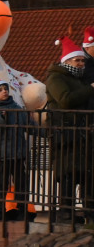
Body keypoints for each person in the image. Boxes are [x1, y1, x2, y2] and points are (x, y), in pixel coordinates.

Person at [45, 35, 94, 223]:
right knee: (68, 175)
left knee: (86, 175)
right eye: (77, 60)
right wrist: (90, 89)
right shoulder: (56, 77)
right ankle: (66, 212)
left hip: (83, 134)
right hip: (66, 135)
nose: (81, 63)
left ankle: (88, 212)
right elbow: (65, 100)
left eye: (82, 60)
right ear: (67, 61)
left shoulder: (79, 79)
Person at [0, 78, 32, 221]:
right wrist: (2, 118)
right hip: (3, 154)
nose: (4, 91)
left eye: (5, 88)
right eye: (0, 90)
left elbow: (28, 123)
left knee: (21, 182)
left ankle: (22, 209)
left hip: (18, 152)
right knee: (3, 183)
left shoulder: (15, 107)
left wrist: (45, 132)